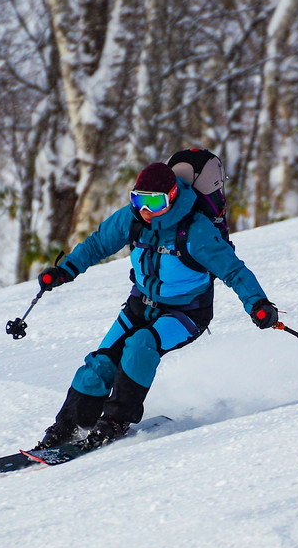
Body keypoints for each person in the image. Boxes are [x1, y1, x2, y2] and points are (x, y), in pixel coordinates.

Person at [34, 160, 279, 450]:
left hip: (185, 312)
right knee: (99, 364)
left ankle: (115, 421)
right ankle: (67, 426)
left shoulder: (196, 231)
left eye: (154, 201)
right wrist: (65, 270)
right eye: (139, 199)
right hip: (140, 304)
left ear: (173, 196)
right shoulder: (132, 218)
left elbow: (234, 271)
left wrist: (258, 304)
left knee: (140, 346)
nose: (146, 209)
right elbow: (97, 244)